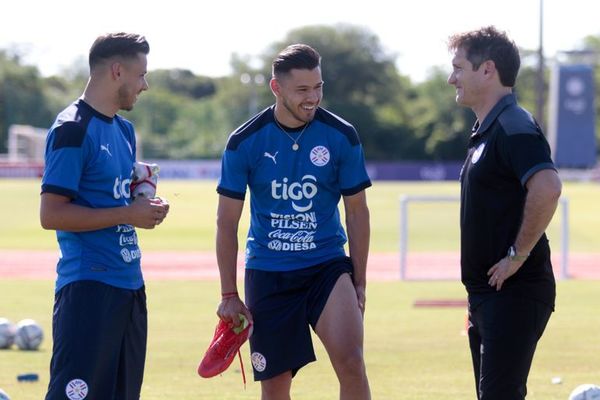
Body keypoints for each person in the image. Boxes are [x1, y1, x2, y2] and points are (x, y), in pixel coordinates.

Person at [215, 43, 372, 400]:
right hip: (269, 273)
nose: (312, 98)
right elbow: (227, 222)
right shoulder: (244, 141)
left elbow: (357, 212)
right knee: (275, 385)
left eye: (318, 87)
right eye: (302, 90)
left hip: (327, 267)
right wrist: (228, 293)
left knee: (351, 362)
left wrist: (358, 281)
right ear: (277, 88)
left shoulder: (341, 135)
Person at [40, 32, 169, 400]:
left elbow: (109, 196)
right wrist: (129, 211)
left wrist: (143, 200)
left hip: (130, 284)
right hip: (88, 288)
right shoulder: (72, 129)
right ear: (117, 71)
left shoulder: (125, 130)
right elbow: (51, 214)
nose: (145, 85)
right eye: (141, 74)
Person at [447, 26, 562, 400]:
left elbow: (547, 188)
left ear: (487, 69)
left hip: (515, 293)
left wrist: (517, 256)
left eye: (459, 67)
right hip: (487, 297)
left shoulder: (514, 125)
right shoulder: (487, 128)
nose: (452, 78)